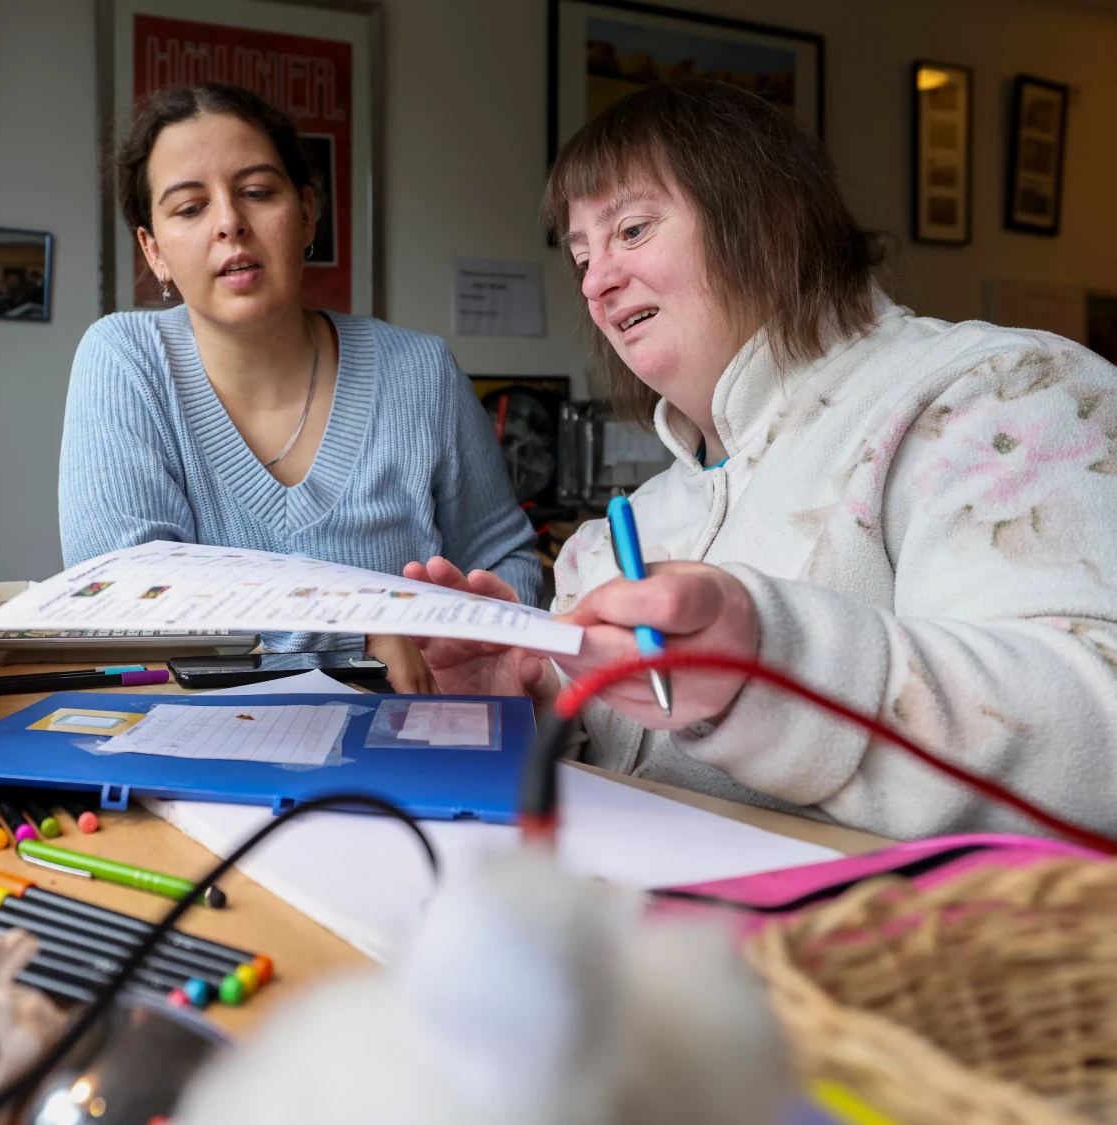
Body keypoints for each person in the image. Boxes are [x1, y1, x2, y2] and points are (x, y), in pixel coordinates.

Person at [408, 78, 1117, 840]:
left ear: (772, 222)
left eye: (633, 230)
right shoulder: (620, 534)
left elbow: (1096, 734)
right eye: (581, 256)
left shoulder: (1001, 394)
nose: (596, 280)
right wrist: (527, 700)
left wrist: (772, 660)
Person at [59, 83, 540, 692]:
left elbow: (508, 564)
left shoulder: (422, 373)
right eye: (189, 207)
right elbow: (128, 602)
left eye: (257, 192)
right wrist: (357, 635)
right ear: (153, 250)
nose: (230, 223)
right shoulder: (124, 360)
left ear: (308, 213)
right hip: (194, 754)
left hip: (412, 747)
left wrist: (458, 637)